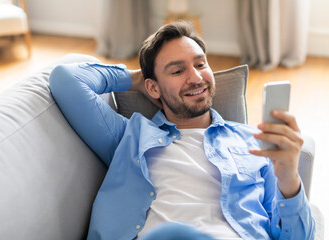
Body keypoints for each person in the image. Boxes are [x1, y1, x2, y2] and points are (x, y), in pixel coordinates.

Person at [49, 22, 315, 240]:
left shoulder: (253, 143)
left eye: (200, 65)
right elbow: (66, 79)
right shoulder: (130, 137)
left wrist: (289, 178)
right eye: (177, 71)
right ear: (152, 88)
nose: (196, 78)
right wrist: (137, 79)